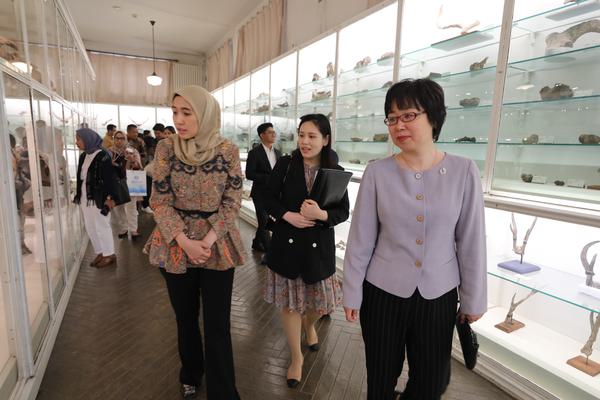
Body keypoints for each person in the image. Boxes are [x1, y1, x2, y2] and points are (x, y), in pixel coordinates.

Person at [342, 78, 487, 400]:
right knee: (380, 378)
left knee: (432, 382)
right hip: (383, 292)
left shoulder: (464, 171)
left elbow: (471, 240)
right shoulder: (377, 172)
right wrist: (352, 291)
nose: (399, 125)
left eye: (408, 115)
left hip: (439, 294)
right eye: (392, 118)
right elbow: (361, 239)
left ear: (433, 117)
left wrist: (474, 297)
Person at [144, 85, 246, 399]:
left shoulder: (227, 150)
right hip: (175, 243)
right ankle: (191, 372)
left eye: (187, 113)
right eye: (175, 112)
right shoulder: (166, 148)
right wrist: (185, 242)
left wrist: (209, 240)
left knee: (217, 324)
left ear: (205, 114)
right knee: (185, 317)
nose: (179, 120)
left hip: (218, 243)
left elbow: (233, 200)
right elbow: (159, 200)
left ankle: (223, 392)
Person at [263, 113, 349, 388]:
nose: (305, 141)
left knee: (320, 305)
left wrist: (322, 214)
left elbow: (343, 211)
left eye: (312, 136)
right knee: (290, 306)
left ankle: (309, 325)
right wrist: (287, 215)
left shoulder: (335, 170)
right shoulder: (286, 164)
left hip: (318, 249)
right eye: (301, 135)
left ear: (326, 139)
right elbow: (267, 197)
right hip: (287, 246)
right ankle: (296, 357)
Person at [73, 128, 119, 268]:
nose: (76, 142)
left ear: (88, 139)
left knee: (101, 225)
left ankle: (109, 254)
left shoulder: (103, 156)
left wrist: (110, 197)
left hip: (99, 197)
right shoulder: (83, 156)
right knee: (90, 226)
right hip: (85, 197)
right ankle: (100, 251)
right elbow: (81, 177)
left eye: (79, 139)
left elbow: (110, 179)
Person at [245, 122, 281, 261]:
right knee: (264, 221)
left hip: (274, 195)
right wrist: (269, 178)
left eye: (274, 132)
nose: (274, 134)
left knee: (265, 222)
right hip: (260, 194)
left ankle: (256, 243)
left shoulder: (278, 153)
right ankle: (270, 255)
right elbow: (249, 174)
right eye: (270, 132)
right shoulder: (254, 153)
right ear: (262, 135)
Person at [110, 130, 142, 239]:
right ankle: (123, 228)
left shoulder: (132, 151)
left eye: (122, 138)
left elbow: (138, 167)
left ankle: (133, 230)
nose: (119, 141)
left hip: (130, 181)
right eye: (117, 138)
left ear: (126, 139)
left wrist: (132, 160)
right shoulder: (109, 151)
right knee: (118, 207)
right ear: (114, 139)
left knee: (131, 207)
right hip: (115, 182)